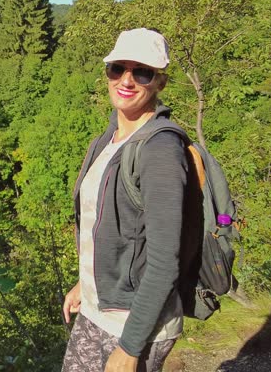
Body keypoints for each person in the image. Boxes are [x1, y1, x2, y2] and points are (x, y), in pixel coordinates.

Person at [62, 28, 192, 372]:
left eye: (143, 72)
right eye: (118, 68)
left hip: (134, 325)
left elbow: (165, 260)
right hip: (98, 309)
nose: (127, 80)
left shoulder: (160, 151)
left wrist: (131, 348)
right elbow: (113, 231)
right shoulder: (109, 138)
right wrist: (85, 281)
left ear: (160, 82)